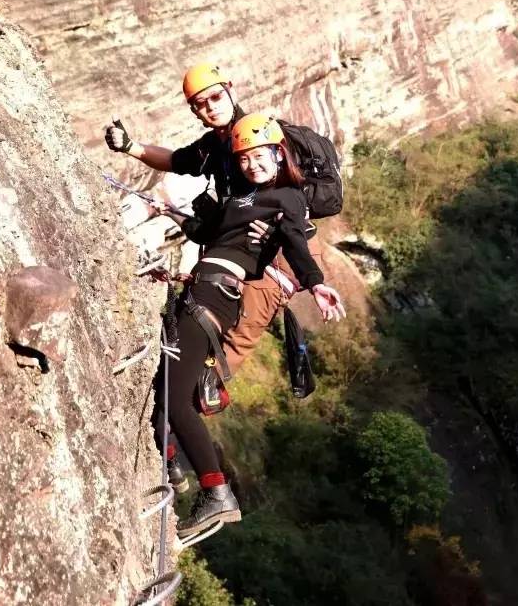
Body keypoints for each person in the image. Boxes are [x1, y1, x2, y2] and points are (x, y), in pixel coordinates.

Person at [149, 114, 345, 537]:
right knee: (167, 385)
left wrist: (317, 285)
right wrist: (171, 213)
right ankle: (170, 461)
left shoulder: (288, 199)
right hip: (203, 285)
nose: (253, 164)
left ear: (278, 155)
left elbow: (295, 242)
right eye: (244, 158)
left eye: (261, 156)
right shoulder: (241, 200)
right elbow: (210, 233)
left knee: (174, 396)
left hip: (215, 293)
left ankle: (216, 493)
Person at [104, 63, 324, 374]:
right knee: (204, 327)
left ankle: (187, 406)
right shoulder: (213, 147)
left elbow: (296, 192)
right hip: (238, 250)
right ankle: (180, 397)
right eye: (200, 104)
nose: (211, 107)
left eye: (216, 97)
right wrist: (130, 147)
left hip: (276, 253)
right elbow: (175, 160)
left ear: (230, 90)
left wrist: (278, 232)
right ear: (194, 111)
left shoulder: (262, 131)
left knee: (231, 343)